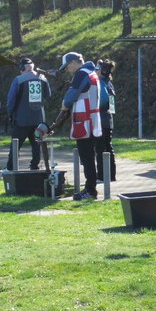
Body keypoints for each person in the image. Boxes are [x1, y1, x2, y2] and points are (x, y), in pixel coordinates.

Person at [49, 52, 101, 200]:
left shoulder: (81, 74)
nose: (67, 70)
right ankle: (90, 188)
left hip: (84, 122)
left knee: (87, 158)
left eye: (67, 66)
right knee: (89, 157)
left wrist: (64, 106)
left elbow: (69, 98)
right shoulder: (92, 72)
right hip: (92, 121)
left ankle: (90, 190)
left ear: (73, 62)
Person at [5, 57, 52, 171]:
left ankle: (10, 168)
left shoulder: (18, 80)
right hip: (38, 119)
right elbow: (48, 95)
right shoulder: (42, 78)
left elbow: (11, 100)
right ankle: (34, 166)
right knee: (36, 144)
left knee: (15, 145)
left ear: (22, 68)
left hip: (22, 119)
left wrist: (10, 114)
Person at [95, 58, 117, 182]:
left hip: (101, 120)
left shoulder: (101, 83)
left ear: (101, 71)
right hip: (108, 120)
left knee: (100, 149)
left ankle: (102, 176)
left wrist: (95, 108)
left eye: (97, 69)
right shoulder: (109, 84)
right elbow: (112, 105)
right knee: (108, 148)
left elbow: (102, 100)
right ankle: (111, 176)